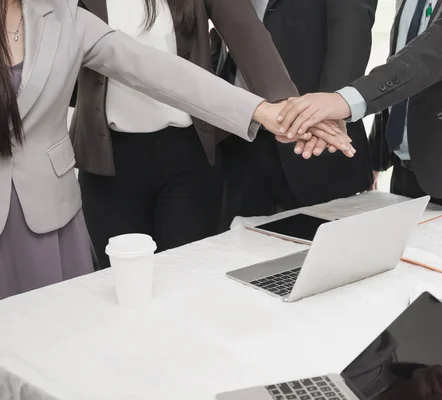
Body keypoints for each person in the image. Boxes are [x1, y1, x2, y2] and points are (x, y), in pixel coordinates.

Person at [0, 0, 351, 299]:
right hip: (107, 158)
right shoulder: (66, 10)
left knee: (178, 288)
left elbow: (162, 68)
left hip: (178, 154)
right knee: (109, 291)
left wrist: (281, 111)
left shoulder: (63, 19)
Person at [71, 0, 316, 270]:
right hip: (108, 160)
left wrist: (289, 110)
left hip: (189, 152)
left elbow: (244, 29)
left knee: (188, 278)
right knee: (119, 281)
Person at [277, 0, 442, 222]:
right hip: (408, 168)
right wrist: (376, 155)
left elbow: (439, 49)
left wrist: (344, 100)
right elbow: (403, 64)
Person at [213, 0, 378, 227]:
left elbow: (351, 35)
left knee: (321, 252)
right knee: (238, 249)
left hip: (313, 143)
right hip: (240, 133)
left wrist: (325, 116)